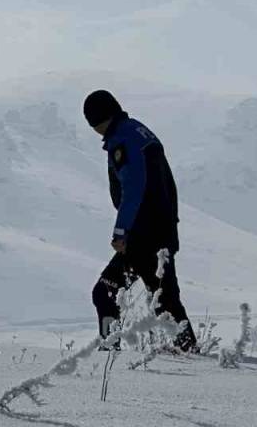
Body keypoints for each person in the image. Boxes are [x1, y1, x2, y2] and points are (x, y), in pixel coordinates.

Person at [84, 90, 197, 350]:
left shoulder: (122, 139)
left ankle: (109, 354)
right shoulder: (139, 132)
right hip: (160, 231)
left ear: (98, 119)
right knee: (165, 300)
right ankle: (189, 350)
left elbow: (134, 188)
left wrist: (121, 231)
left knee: (107, 293)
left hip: (143, 235)